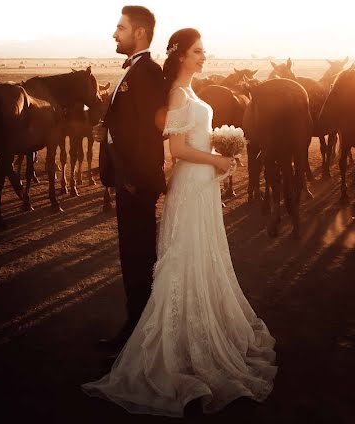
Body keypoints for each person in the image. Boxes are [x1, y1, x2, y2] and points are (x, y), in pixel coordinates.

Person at [83, 27, 277, 417]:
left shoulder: (189, 92)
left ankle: (200, 328)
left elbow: (195, 140)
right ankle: (171, 346)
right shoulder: (176, 93)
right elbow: (178, 149)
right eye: (198, 51)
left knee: (205, 255)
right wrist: (219, 160)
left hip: (201, 187)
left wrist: (220, 153)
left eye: (204, 50)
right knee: (184, 256)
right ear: (181, 54)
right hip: (189, 186)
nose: (204, 56)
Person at [93, 6, 167, 352]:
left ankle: (139, 334)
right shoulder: (134, 70)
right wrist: (105, 130)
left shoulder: (149, 72)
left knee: (138, 259)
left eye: (120, 28)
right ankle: (136, 326)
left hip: (135, 183)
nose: (114, 34)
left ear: (139, 33)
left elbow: (149, 133)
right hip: (126, 179)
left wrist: (133, 179)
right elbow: (128, 124)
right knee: (131, 257)